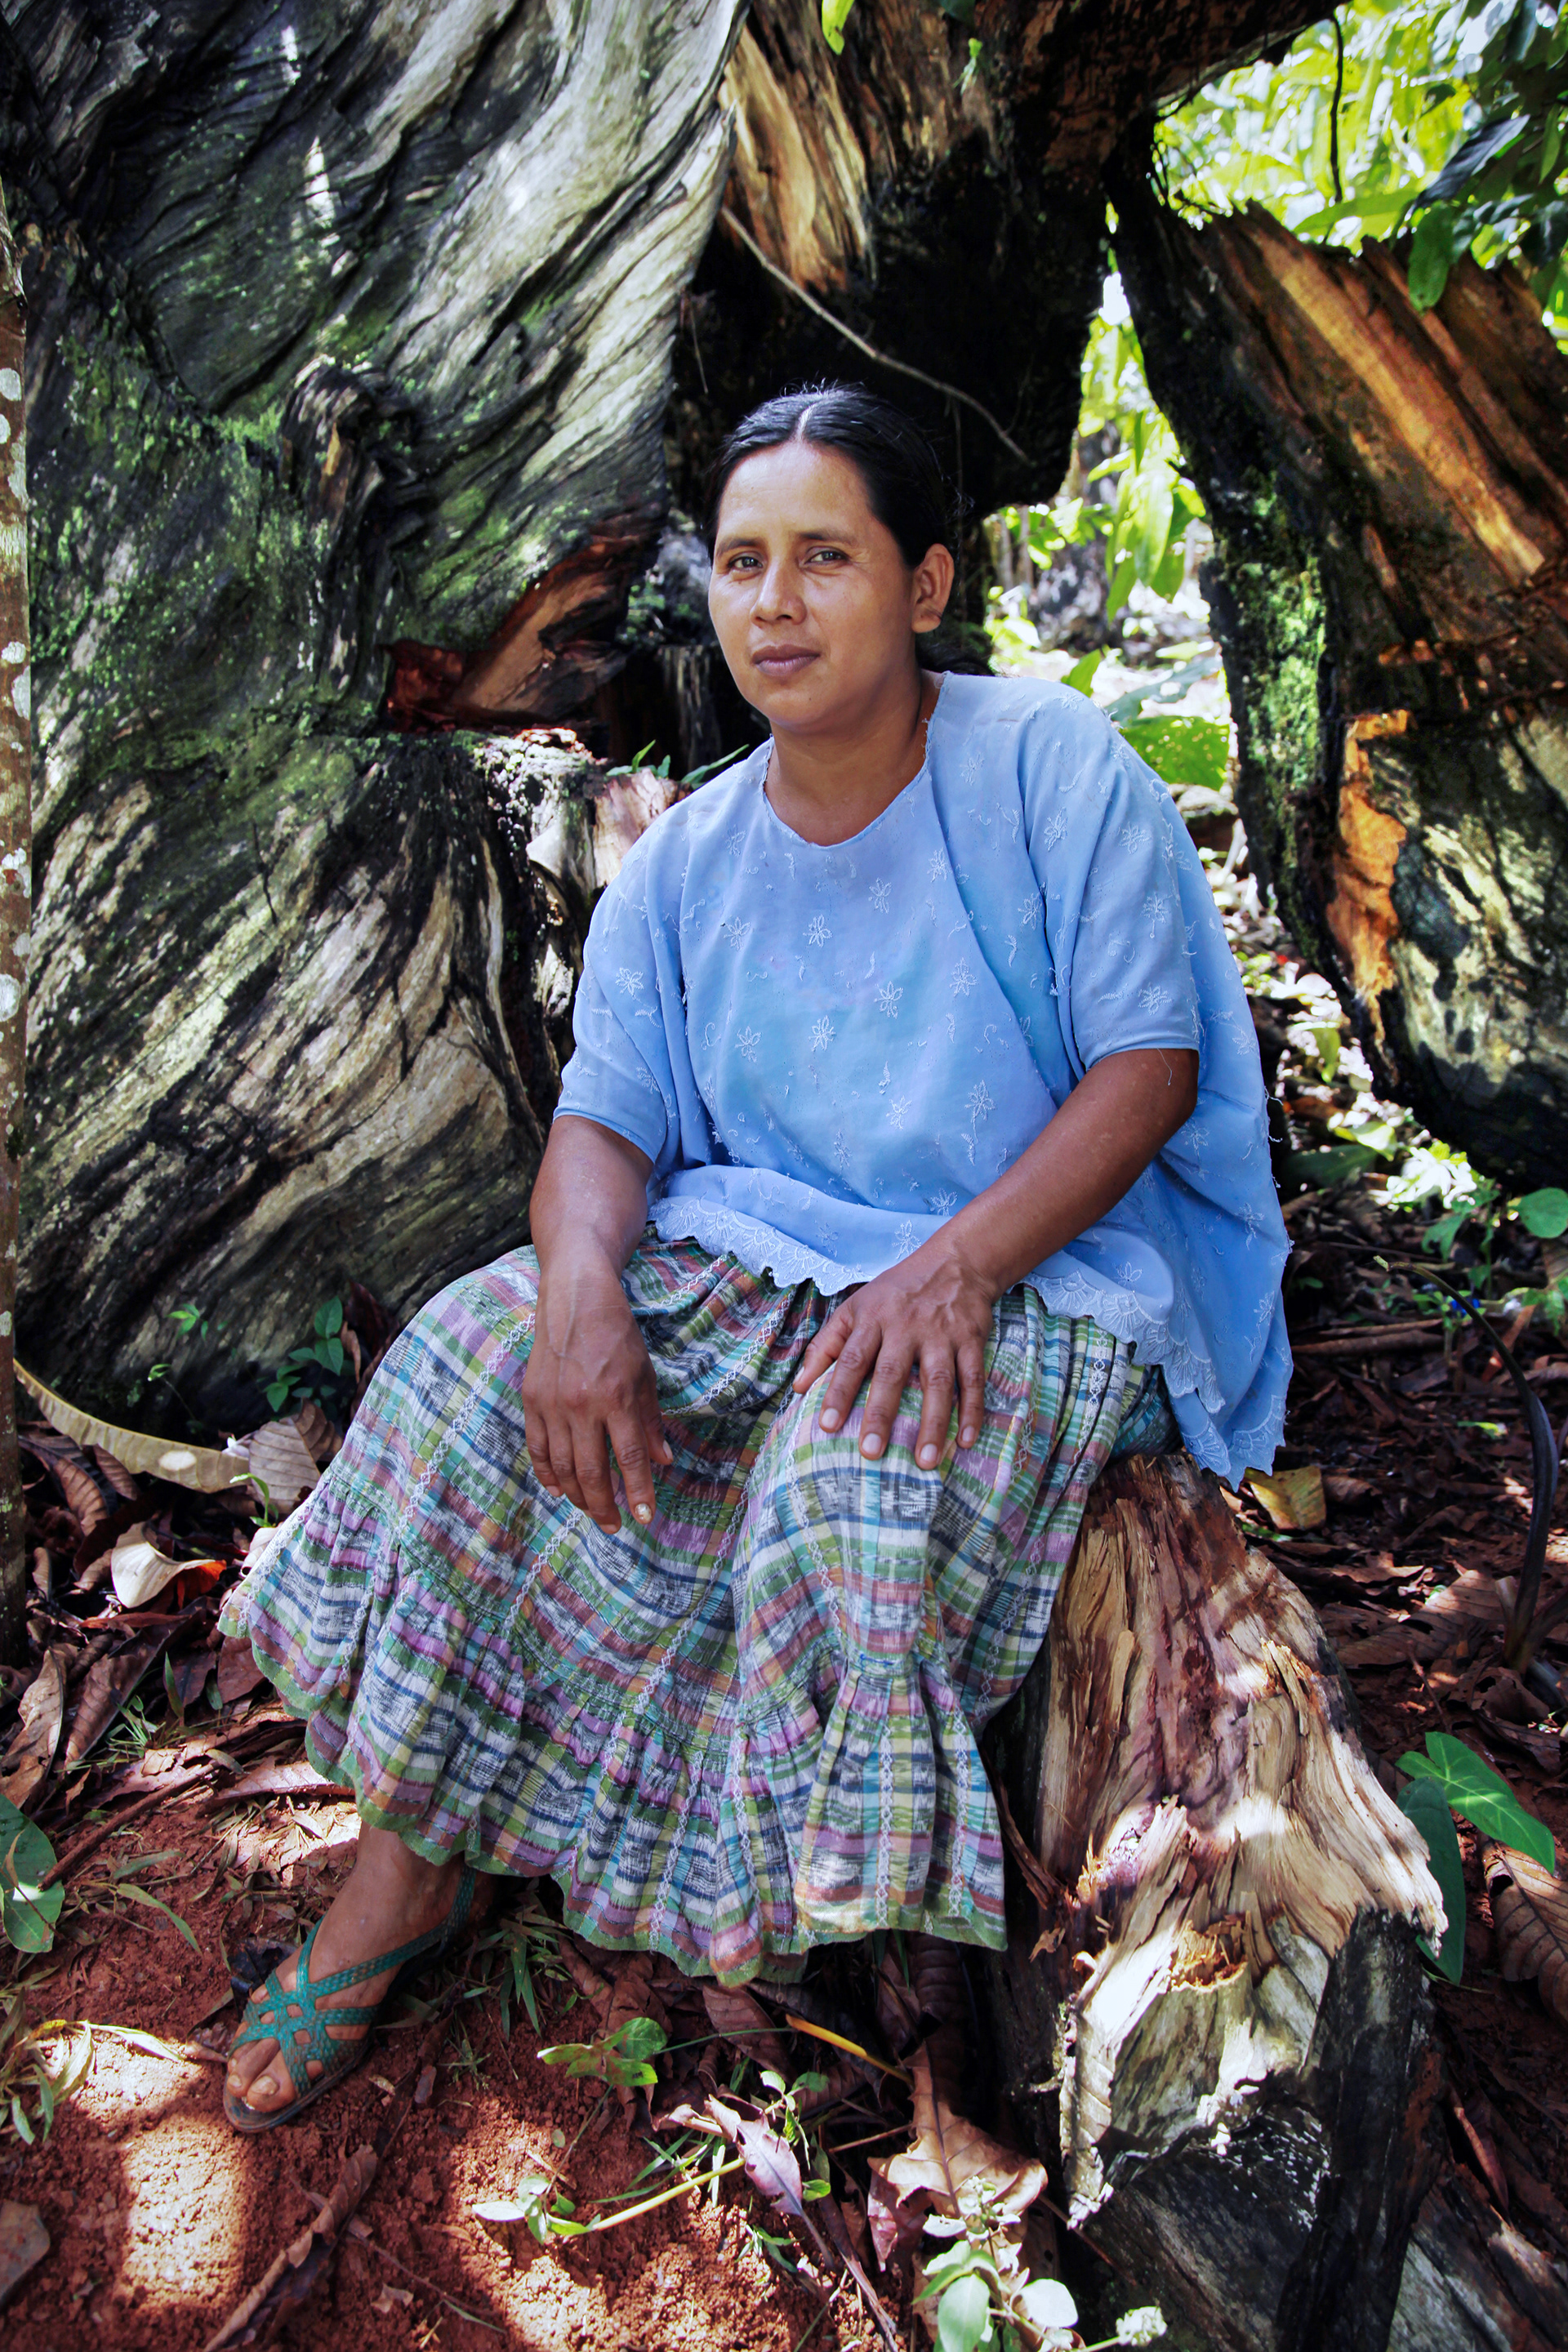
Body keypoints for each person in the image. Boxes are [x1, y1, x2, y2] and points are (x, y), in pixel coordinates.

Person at [219, 384, 1290, 2130]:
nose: (773, 604)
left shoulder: (1047, 768)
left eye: (825, 559)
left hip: (1032, 1261)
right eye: (739, 562)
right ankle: (404, 1869)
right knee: (471, 1367)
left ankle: (808, 1960)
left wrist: (954, 1269)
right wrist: (575, 1291)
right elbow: (607, 1129)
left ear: (926, 582)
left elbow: (1145, 1070)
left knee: (841, 1490)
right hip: (760, 1259)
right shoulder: (692, 857)